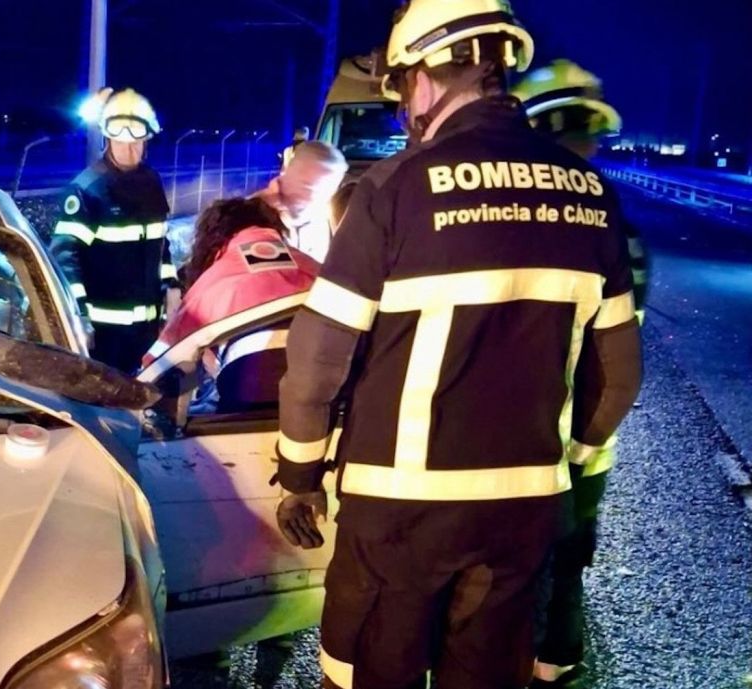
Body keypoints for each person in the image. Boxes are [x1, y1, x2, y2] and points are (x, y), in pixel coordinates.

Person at [272, 2, 644, 688]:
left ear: (424, 75)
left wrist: (299, 477)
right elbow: (618, 374)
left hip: (399, 511)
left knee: (366, 675)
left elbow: (317, 361)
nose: (403, 113)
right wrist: (562, 464)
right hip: (525, 512)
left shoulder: (393, 188)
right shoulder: (593, 195)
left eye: (401, 89)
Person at [514, 59, 649, 689]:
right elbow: (617, 363)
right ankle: (553, 664)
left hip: (514, 443)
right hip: (581, 442)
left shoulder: (506, 226)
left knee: (509, 567)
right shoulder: (616, 229)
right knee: (563, 560)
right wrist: (585, 444)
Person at [140, 197, 319, 412]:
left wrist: (138, 389)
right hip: (327, 388)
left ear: (211, 239)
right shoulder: (314, 268)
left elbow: (162, 362)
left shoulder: (214, 282)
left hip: (251, 395)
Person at [50, 87, 174, 372]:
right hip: (104, 337)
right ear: (108, 137)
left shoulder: (152, 183)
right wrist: (79, 317)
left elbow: (160, 243)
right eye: (120, 141)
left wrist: (172, 286)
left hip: (148, 331)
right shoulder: (87, 189)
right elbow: (65, 259)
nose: (129, 149)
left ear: (147, 139)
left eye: (136, 141)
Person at [255, 140, 349, 262]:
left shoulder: (325, 222)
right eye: (307, 185)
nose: (311, 196)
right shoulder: (253, 216)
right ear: (287, 172)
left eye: (322, 190)